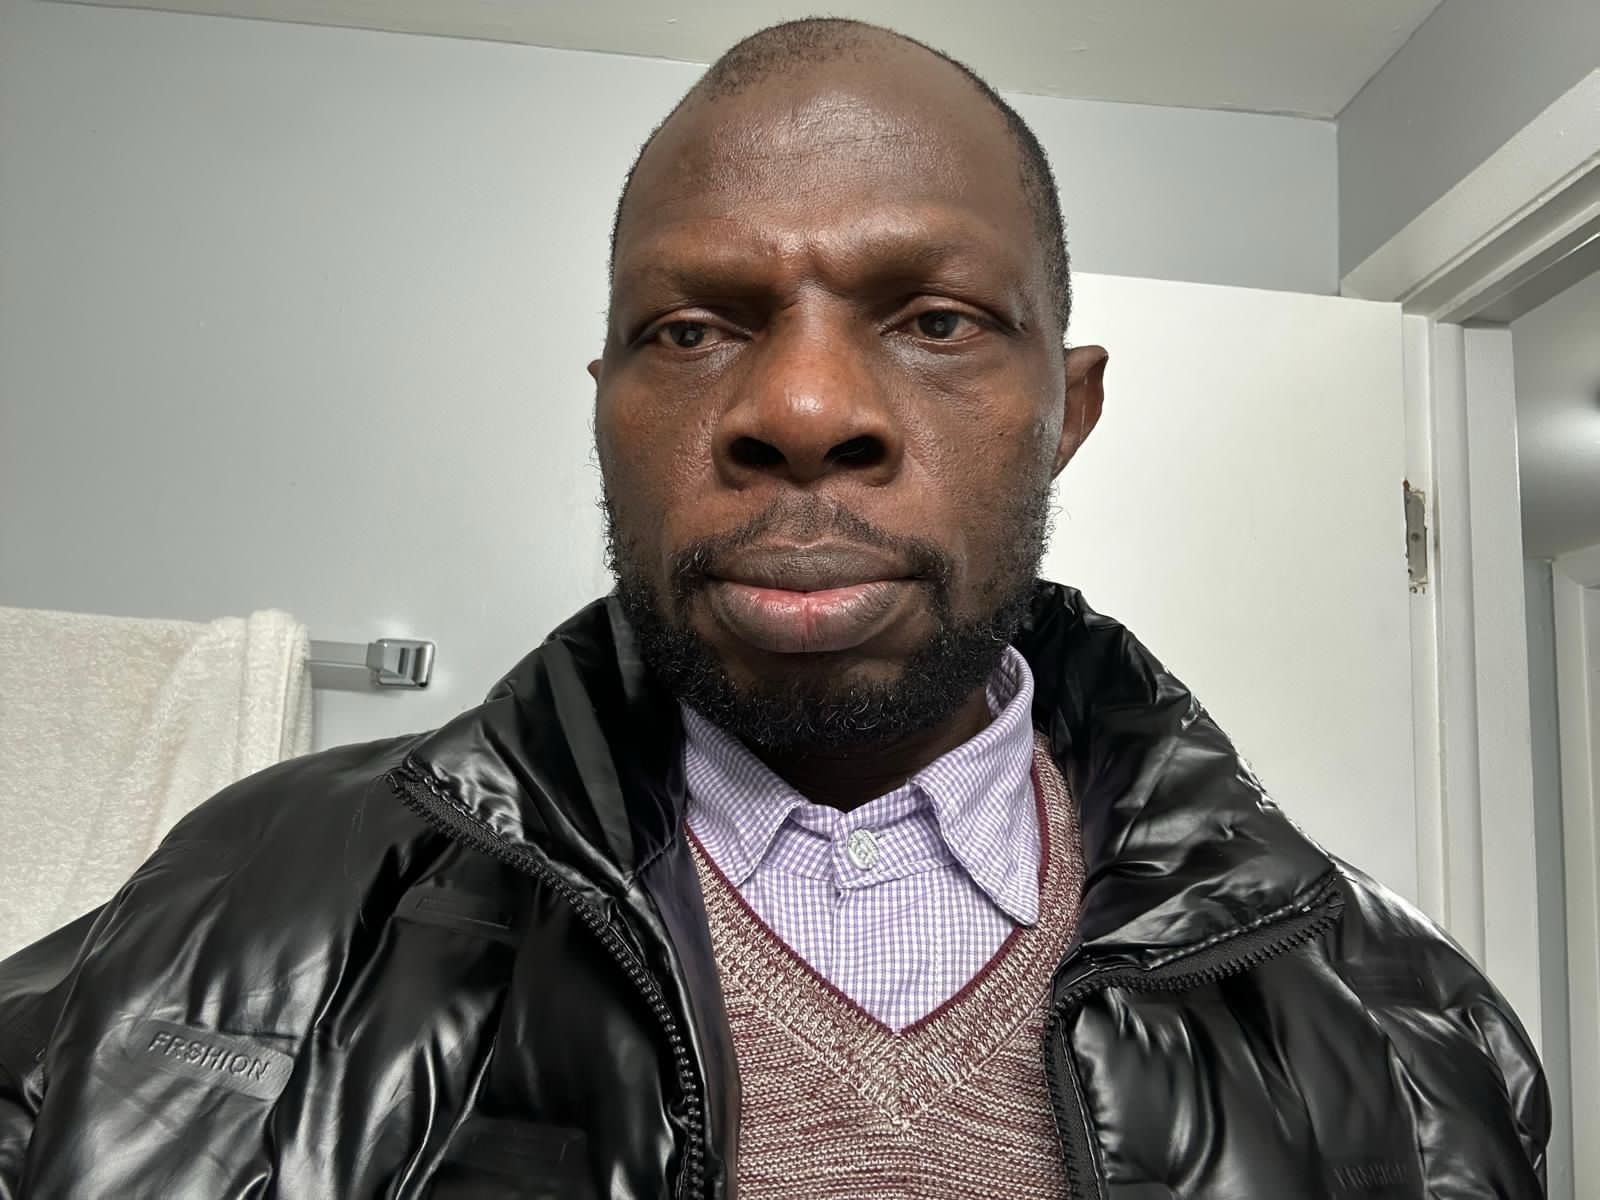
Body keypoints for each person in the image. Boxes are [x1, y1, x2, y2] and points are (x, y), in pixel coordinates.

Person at [0, 18, 1548, 1200]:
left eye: (935, 319)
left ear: (1066, 413)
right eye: (690, 330)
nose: (803, 410)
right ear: (605, 408)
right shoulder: (237, 905)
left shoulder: (1411, 1027)